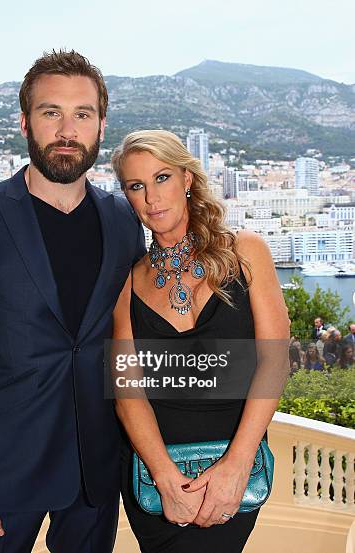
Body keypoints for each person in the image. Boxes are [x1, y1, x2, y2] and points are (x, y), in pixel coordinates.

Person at [0, 50, 145, 553]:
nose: (67, 129)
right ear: (25, 122)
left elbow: (134, 339)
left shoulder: (123, 219)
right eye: (51, 113)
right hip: (0, 477)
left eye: (82, 114)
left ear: (101, 126)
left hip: (96, 471)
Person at [110, 130, 290, 553]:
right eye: (136, 186)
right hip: (154, 480)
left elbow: (275, 363)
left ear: (187, 180)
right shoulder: (126, 282)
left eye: (162, 178)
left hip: (234, 471)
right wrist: (164, 477)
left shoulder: (246, 251)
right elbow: (126, 392)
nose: (152, 197)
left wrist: (237, 465)